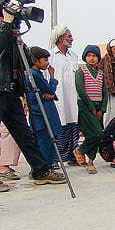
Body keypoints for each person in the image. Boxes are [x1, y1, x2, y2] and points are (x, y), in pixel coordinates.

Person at [0, 4, 65, 188]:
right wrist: (6, 25)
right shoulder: (3, 32)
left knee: (26, 136)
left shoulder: (11, 35)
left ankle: (40, 170)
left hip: (11, 93)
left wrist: (16, 35)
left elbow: (28, 60)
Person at [26, 46, 63, 174]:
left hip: (43, 114)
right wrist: (52, 77)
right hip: (41, 116)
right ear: (36, 61)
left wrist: (52, 95)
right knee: (44, 144)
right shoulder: (34, 75)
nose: (47, 63)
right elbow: (49, 90)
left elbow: (50, 93)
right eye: (45, 60)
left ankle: (45, 168)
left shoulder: (36, 74)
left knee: (46, 142)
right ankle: (44, 170)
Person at [73, 45, 107, 174]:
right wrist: (91, 107)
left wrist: (102, 109)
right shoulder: (81, 72)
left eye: (94, 56)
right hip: (86, 106)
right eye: (89, 56)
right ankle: (80, 151)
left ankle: (91, 162)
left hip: (98, 106)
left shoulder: (101, 73)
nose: (92, 58)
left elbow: (105, 92)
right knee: (95, 133)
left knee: (97, 135)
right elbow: (81, 90)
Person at [48, 24, 79, 166]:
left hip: (73, 99)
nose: (72, 39)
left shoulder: (74, 56)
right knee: (59, 125)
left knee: (73, 123)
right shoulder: (50, 56)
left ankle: (72, 156)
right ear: (61, 38)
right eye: (69, 36)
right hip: (58, 98)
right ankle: (55, 159)